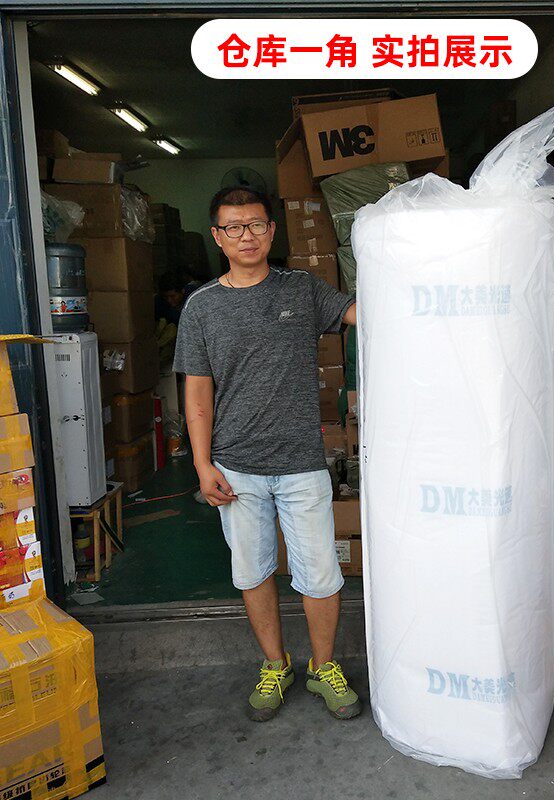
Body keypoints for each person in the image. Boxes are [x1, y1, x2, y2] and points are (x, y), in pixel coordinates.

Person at [173, 187, 359, 722]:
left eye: (256, 224)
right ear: (218, 237)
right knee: (253, 572)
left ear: (272, 230)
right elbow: (197, 391)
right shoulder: (202, 307)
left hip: (302, 463)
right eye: (234, 227)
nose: (246, 236)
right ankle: (275, 666)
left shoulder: (302, 289)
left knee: (321, 574)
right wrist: (202, 464)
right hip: (236, 466)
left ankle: (323, 666)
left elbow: (363, 315)